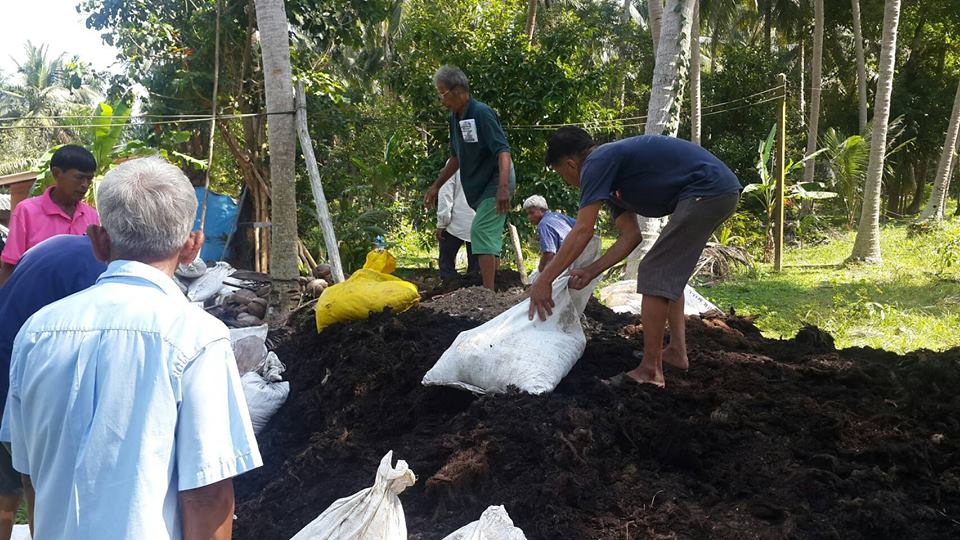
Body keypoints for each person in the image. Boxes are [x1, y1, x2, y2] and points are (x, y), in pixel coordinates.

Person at [1, 156, 261, 539]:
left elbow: (31, 475)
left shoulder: (37, 332)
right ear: (193, 246)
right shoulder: (198, 338)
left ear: (98, 240)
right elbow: (207, 497)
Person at [529, 127, 741, 388]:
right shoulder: (610, 179)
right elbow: (630, 236)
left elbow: (583, 230)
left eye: (563, 175)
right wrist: (591, 270)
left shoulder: (596, 162)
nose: (568, 183)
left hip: (708, 190)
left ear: (571, 164)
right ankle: (676, 352)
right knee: (666, 272)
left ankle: (651, 371)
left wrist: (544, 280)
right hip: (713, 191)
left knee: (655, 270)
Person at [0, 235, 107, 539]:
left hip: (12, 360)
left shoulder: (57, 246)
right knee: (39, 483)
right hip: (24, 373)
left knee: (12, 481)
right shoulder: (98, 272)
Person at [424, 65, 515, 291]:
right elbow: (456, 157)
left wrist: (503, 187)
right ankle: (491, 288)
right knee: (487, 235)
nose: (441, 101)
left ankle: (488, 292)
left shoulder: (482, 113)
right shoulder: (455, 119)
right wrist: (436, 186)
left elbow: (503, 151)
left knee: (480, 230)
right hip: (480, 185)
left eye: (442, 94)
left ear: (457, 91)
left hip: (496, 180)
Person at [0, 145, 99, 287]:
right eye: (79, 177)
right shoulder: (27, 211)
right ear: (57, 173)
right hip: (37, 296)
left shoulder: (91, 216)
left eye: (89, 179)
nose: (85, 185)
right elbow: (10, 265)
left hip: (80, 296)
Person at [437, 170, 479, 281]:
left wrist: (442, 223)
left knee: (447, 266)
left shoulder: (454, 165)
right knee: (477, 272)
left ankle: (450, 286)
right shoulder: (488, 163)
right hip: (480, 221)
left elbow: (446, 194)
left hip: (455, 223)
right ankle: (476, 288)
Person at [523, 195, 577, 273]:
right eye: (527, 214)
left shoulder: (543, 224)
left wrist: (541, 270)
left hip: (571, 259)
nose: (529, 217)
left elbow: (549, 253)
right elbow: (579, 225)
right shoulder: (557, 216)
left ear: (541, 210)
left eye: (531, 213)